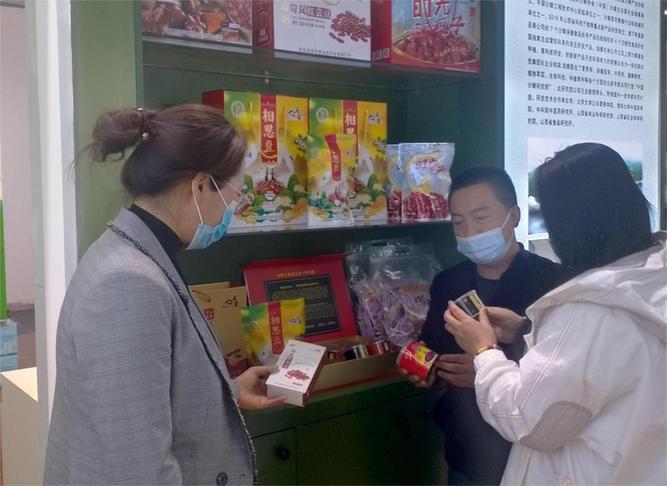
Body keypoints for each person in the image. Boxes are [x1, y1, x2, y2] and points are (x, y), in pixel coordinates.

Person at [44, 105, 286, 485]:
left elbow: (144, 395)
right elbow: (140, 468)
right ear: (201, 186)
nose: (232, 211)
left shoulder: (139, 253)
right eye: (234, 196)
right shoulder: (127, 283)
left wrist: (227, 393)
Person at [445, 143, 666, 485]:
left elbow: (526, 418)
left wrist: (484, 351)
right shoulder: (650, 278)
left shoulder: (589, 308)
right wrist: (523, 330)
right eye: (459, 221)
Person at [404, 166, 564, 485]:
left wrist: (490, 366)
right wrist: (422, 366)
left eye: (481, 218)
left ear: (514, 216)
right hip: (467, 451)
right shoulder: (448, 282)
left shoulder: (554, 283)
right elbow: (431, 345)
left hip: (529, 453)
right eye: (458, 222)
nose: (470, 232)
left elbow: (565, 368)